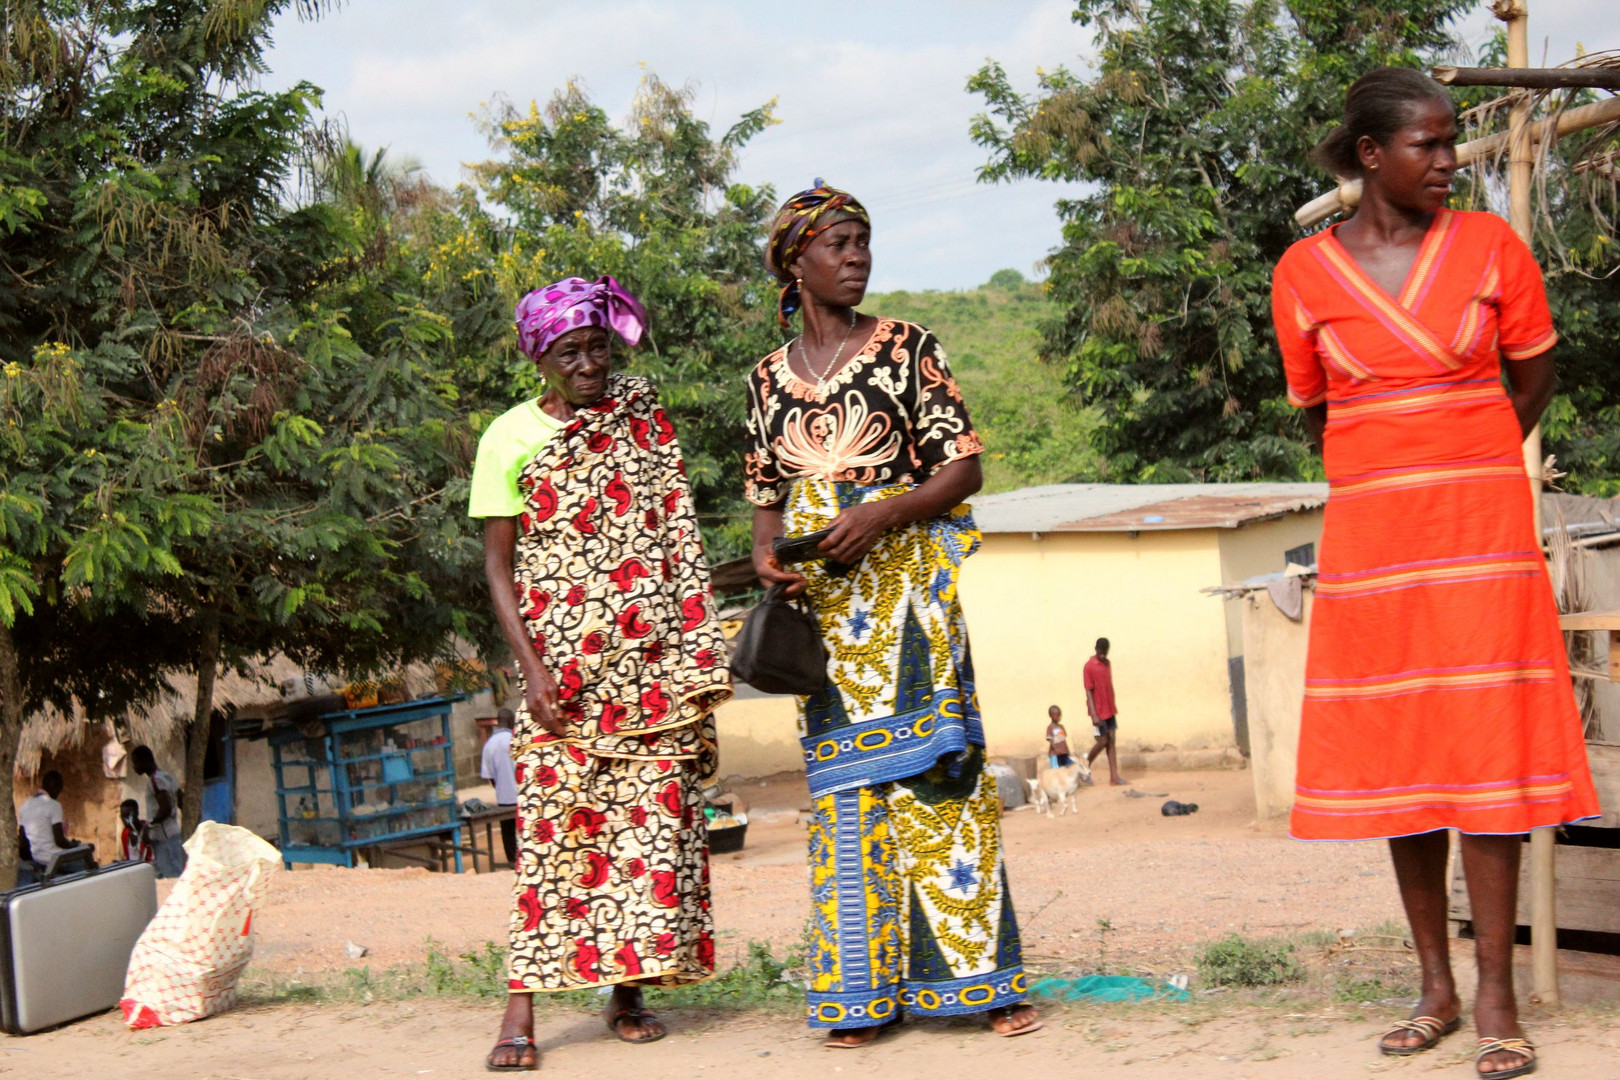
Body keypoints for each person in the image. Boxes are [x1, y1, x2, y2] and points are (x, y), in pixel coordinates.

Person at [1273, 67, 1600, 1079]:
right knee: (1407, 751)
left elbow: (1534, 369)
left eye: (1453, 142)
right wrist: (1393, 461)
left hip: (1480, 523)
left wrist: (1466, 449)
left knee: (1486, 749)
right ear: (1372, 157)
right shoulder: (1304, 273)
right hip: (1375, 535)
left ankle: (1497, 993)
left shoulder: (1493, 247)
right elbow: (1316, 406)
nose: (1451, 160)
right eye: (1429, 144)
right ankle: (1435, 989)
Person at [746, 182, 1038, 1047]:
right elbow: (766, 497)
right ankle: (859, 1000)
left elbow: (964, 469)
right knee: (848, 802)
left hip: (907, 594)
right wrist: (768, 555)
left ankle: (983, 987)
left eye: (863, 242)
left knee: (941, 783)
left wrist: (881, 513)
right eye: (838, 243)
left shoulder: (908, 348)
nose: (857, 257)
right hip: (826, 612)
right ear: (795, 262)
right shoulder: (765, 380)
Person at [470, 275, 733, 1071]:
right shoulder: (507, 437)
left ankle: (627, 993)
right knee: (556, 838)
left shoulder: (641, 421)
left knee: (649, 834)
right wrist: (534, 672)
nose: (589, 366)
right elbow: (498, 569)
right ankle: (521, 1008)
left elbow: (675, 531)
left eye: (598, 348)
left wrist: (693, 652)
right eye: (569, 352)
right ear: (538, 357)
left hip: (652, 666)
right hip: (564, 677)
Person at [16, 771, 94, 883]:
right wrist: (75, 846)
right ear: (57, 787)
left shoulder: (26, 805)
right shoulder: (54, 805)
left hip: (37, 858)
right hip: (54, 859)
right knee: (85, 864)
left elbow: (22, 841)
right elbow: (60, 841)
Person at [130, 746, 186, 878]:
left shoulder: (155, 780)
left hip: (164, 838)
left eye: (135, 762)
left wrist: (148, 826)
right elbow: (182, 802)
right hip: (172, 833)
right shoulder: (168, 777)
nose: (134, 766)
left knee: (173, 876)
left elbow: (165, 808)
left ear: (144, 761)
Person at [1083, 639, 1126, 786]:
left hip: (1109, 709)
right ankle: (1084, 765)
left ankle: (1114, 777)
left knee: (1112, 741)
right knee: (1102, 741)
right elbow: (1088, 690)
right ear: (1095, 649)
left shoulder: (1108, 664)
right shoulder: (1089, 667)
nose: (1102, 655)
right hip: (1098, 711)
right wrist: (1094, 714)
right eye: (1100, 652)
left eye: (1105, 652)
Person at [480, 708, 519, 866]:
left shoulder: (489, 745)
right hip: (522, 795)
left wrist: (500, 788)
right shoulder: (516, 739)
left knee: (507, 830)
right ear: (511, 722)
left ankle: (511, 859)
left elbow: (489, 776)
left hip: (504, 798)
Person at [118, 799, 154, 866]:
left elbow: (151, 857)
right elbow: (128, 858)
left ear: (137, 813)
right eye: (123, 816)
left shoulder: (148, 830)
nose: (125, 820)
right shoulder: (125, 834)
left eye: (128, 816)